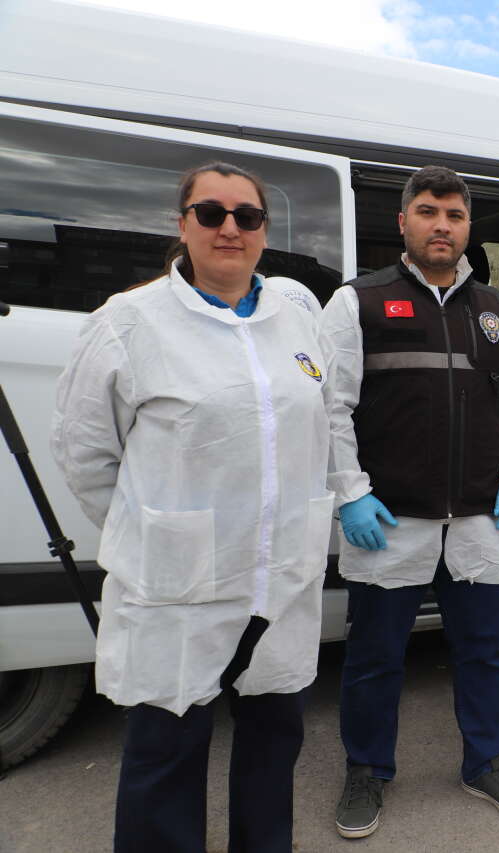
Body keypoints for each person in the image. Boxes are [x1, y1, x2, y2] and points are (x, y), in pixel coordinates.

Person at [50, 162, 333, 852]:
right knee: (165, 761)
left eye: (247, 215)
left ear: (265, 231)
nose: (230, 228)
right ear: (182, 225)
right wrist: (157, 530)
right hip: (179, 587)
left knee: (272, 749)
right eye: (212, 213)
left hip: (282, 579)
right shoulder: (129, 322)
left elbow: (322, 425)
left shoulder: (296, 317)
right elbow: (85, 453)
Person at [320, 165, 499, 837]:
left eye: (453, 213)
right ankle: (366, 769)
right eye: (427, 211)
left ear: (468, 226)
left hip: (480, 519)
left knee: (485, 653)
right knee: (374, 658)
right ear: (403, 223)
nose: (441, 224)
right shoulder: (357, 302)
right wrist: (352, 495)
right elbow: (330, 407)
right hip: (389, 522)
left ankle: (485, 761)